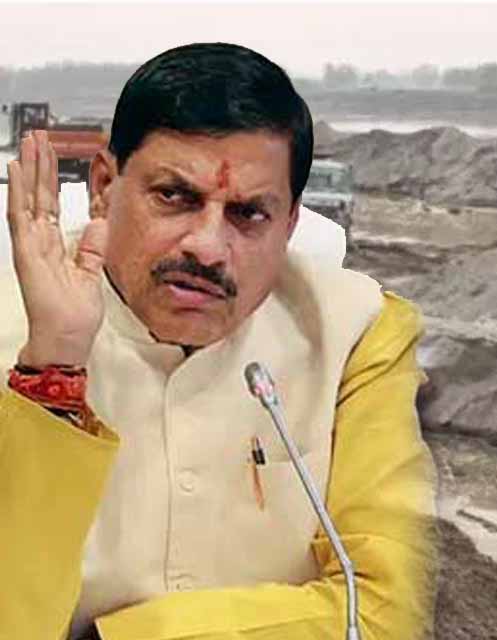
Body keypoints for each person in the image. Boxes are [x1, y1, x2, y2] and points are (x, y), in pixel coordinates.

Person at [0, 43, 437, 639]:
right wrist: (54, 369)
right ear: (104, 185)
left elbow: (382, 613)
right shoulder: (19, 325)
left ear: (289, 224)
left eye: (247, 214)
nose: (207, 248)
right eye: (174, 197)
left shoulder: (355, 335)